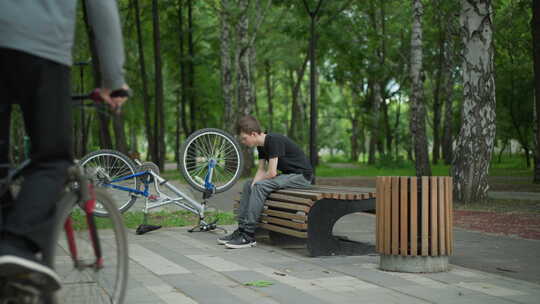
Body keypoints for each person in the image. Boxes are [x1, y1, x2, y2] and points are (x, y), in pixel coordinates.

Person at [0, 0, 129, 293]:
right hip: (39, 44)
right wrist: (114, 80)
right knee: (53, 159)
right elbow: (102, 7)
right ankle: (15, 245)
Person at [219, 115, 313, 249]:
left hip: (302, 177)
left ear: (254, 134)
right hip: (287, 176)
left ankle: (249, 234)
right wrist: (253, 184)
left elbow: (272, 173)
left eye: (244, 138)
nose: (243, 142)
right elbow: (261, 170)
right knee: (248, 185)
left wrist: (257, 185)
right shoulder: (260, 146)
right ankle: (241, 229)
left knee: (260, 186)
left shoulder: (273, 140)